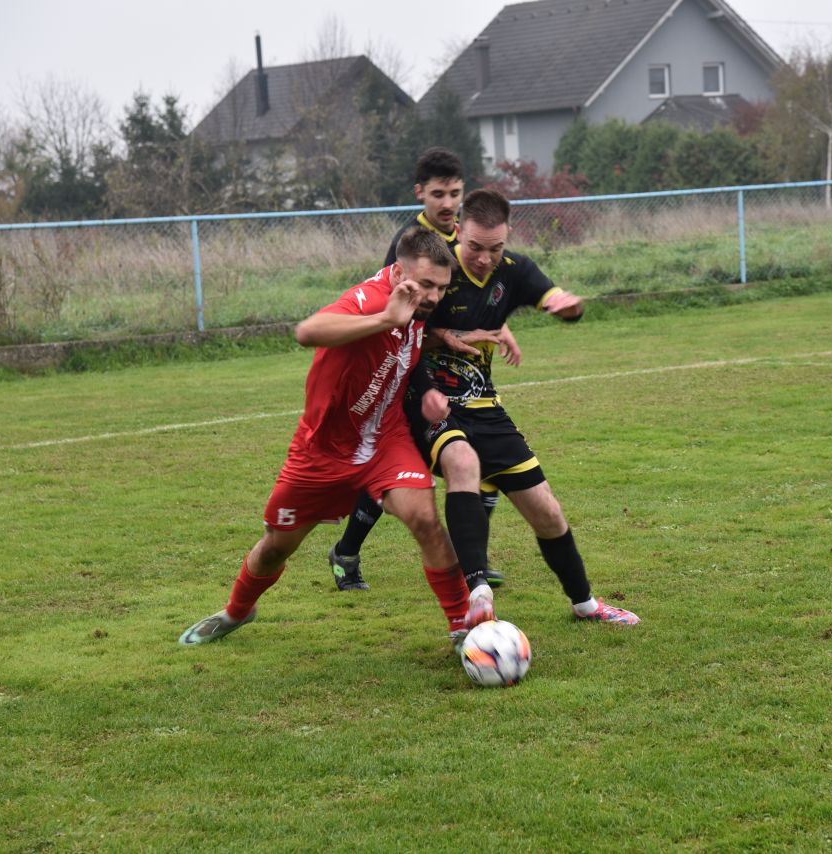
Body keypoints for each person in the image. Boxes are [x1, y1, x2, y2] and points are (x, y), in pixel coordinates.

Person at [178, 227, 493, 646]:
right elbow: (307, 331)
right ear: (397, 273)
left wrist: (442, 341)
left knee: (425, 519)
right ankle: (237, 611)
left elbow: (413, 337)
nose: (434, 296)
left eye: (441, 287)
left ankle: (460, 629)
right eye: (425, 286)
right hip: (321, 451)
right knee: (276, 547)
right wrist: (384, 319)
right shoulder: (371, 300)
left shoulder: (419, 306)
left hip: (385, 440)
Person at [413, 188, 639, 626]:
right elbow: (398, 330)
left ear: (507, 238)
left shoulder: (514, 269)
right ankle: (476, 593)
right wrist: (446, 339)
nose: (483, 258)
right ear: (460, 230)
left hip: (486, 407)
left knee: (546, 510)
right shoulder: (436, 268)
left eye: (494, 249)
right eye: (475, 247)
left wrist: (565, 307)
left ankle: (585, 605)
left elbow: (553, 297)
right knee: (462, 463)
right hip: (430, 405)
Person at [328, 147, 515, 592]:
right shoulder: (410, 243)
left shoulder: (467, 236)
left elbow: (480, 289)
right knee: (401, 468)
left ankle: (474, 558)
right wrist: (446, 338)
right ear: (420, 194)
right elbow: (407, 318)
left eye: (455, 193)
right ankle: (347, 550)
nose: (448, 204)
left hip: (460, 374)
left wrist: (496, 322)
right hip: (413, 372)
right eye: (438, 195)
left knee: (479, 462)